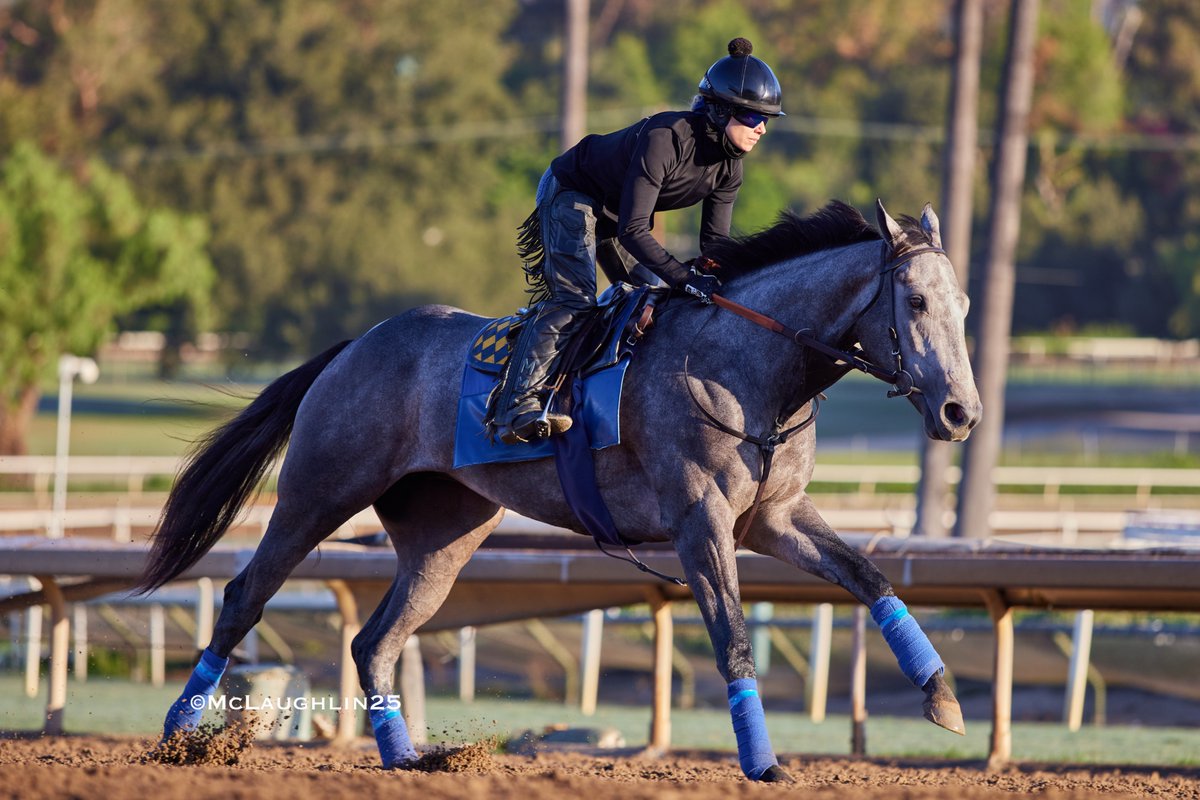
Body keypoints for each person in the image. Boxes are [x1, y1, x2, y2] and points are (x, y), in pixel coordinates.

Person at [491, 37, 785, 445]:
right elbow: (633, 230)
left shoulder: (730, 168)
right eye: (753, 116)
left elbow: (715, 245)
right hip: (573, 193)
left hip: (617, 215)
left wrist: (732, 282)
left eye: (767, 119)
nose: (762, 128)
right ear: (720, 111)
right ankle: (515, 406)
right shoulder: (665, 137)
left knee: (653, 301)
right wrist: (684, 277)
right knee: (576, 300)